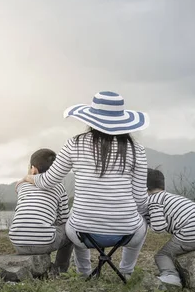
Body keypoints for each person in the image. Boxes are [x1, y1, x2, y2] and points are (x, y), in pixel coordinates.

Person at [20, 91, 150, 278]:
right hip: (126, 234)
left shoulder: (74, 144)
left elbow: (47, 181)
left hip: (83, 235)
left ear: (92, 118)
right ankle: (126, 272)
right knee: (142, 222)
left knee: (74, 219)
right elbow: (140, 200)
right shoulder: (136, 149)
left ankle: (85, 273)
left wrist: (29, 178)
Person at [146, 168, 195, 287]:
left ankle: (171, 276)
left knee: (163, 255)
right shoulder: (169, 196)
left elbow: (158, 228)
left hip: (192, 232)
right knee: (177, 251)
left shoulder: (153, 200)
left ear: (143, 187)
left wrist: (149, 221)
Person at [10, 148, 73, 272]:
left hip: (17, 242)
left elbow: (19, 188)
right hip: (44, 243)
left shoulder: (22, 186)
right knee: (69, 233)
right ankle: (60, 270)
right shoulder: (59, 187)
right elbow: (64, 219)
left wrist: (25, 178)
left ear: (33, 169)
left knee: (43, 221)